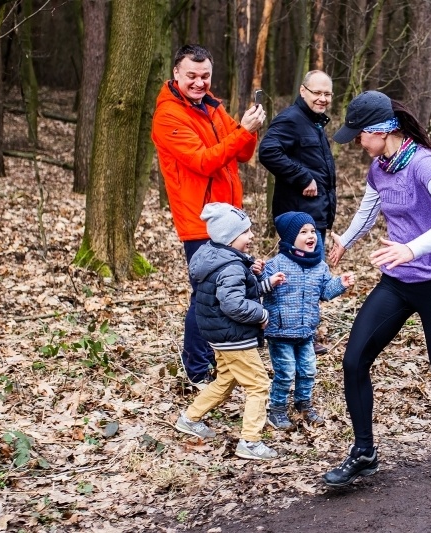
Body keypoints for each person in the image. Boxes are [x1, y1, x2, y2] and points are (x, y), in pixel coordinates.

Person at [321, 91, 431, 487]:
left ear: (381, 132)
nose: (357, 143)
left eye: (360, 135)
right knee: (354, 360)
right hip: (397, 285)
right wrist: (345, 239)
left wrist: (411, 248)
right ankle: (363, 452)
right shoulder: (380, 166)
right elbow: (369, 209)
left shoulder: (424, 165)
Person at [152, 44, 267, 387]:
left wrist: (250, 129)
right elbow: (204, 161)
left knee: (227, 292)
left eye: (205, 76)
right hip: (200, 222)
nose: (199, 83)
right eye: (192, 76)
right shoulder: (168, 116)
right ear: (176, 74)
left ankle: (219, 362)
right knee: (207, 296)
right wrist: (242, 132)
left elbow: (243, 153)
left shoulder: (212, 106)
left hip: (229, 219)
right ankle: (196, 368)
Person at [174, 202, 286, 460]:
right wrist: (262, 314)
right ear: (229, 237)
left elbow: (238, 291)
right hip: (234, 335)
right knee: (258, 384)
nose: (251, 236)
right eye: (246, 232)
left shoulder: (215, 257)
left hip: (218, 334)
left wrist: (266, 284)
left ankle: (190, 418)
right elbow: (233, 303)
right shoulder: (232, 266)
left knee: (225, 379)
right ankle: (250, 441)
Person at [258, 70, 337, 356]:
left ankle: (305, 334)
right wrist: (302, 177)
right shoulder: (291, 119)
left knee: (310, 276)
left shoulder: (314, 123)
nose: (323, 98)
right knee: (295, 278)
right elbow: (267, 151)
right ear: (303, 91)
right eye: (317, 92)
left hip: (314, 215)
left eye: (327, 93)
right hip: (299, 218)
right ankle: (289, 334)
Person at [259, 211, 354, 430]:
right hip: (280, 331)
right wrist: (264, 277)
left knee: (308, 370)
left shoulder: (319, 266)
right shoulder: (275, 265)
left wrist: (340, 283)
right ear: (290, 238)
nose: (311, 235)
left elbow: (325, 291)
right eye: (303, 232)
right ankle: (277, 410)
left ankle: (304, 404)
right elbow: (259, 287)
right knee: (285, 372)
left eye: (312, 231)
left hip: (306, 332)